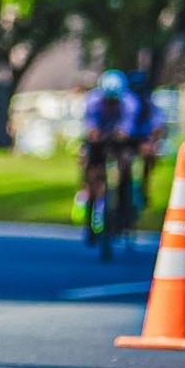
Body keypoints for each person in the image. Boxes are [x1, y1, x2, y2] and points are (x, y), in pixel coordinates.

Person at [80, 69, 138, 243]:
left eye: (114, 100)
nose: (111, 103)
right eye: (108, 100)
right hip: (98, 141)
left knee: (125, 168)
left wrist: (122, 134)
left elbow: (128, 129)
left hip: (119, 141)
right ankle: (89, 221)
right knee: (92, 175)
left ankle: (123, 212)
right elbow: (91, 128)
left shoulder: (130, 102)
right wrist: (94, 134)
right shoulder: (92, 100)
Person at [125, 71, 167, 212]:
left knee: (149, 157)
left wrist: (151, 141)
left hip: (142, 138)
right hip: (126, 139)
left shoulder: (148, 103)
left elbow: (157, 124)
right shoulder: (127, 102)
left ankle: (144, 186)